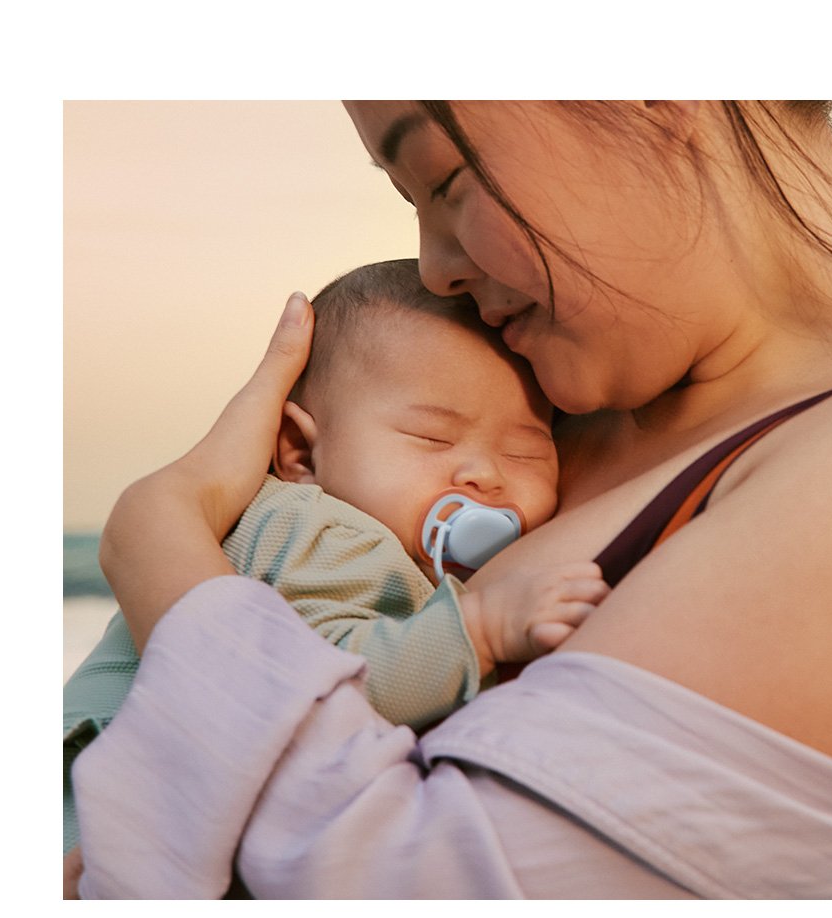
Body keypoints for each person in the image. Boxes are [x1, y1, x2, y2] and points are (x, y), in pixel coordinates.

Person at [67, 100, 832, 899]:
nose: (434, 270)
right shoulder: (546, 390)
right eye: (408, 200)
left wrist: (159, 535)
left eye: (445, 178)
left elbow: (397, 884)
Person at [63, 258, 608, 853]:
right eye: (433, 438)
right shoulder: (324, 528)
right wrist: (482, 629)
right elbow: (319, 689)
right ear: (301, 452)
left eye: (526, 451)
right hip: (93, 825)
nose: (484, 473)